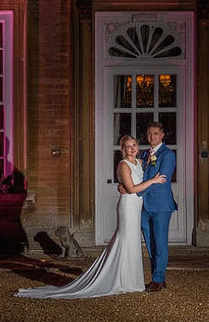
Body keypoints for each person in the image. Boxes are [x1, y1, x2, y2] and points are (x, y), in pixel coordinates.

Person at [14, 134, 161, 299]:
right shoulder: (123, 165)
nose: (132, 148)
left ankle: (131, 281)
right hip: (127, 206)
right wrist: (153, 181)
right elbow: (132, 189)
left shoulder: (140, 162)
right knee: (124, 239)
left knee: (133, 241)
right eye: (128, 146)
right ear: (123, 149)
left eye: (134, 145)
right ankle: (117, 279)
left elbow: (142, 176)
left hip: (137, 206)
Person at [139, 121, 176, 291]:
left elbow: (162, 180)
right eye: (149, 134)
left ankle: (158, 279)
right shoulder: (146, 155)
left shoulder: (167, 155)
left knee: (160, 244)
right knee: (150, 244)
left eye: (155, 134)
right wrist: (124, 186)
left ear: (162, 135)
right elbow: (139, 177)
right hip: (144, 207)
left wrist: (135, 192)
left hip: (161, 206)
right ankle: (157, 276)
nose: (151, 137)